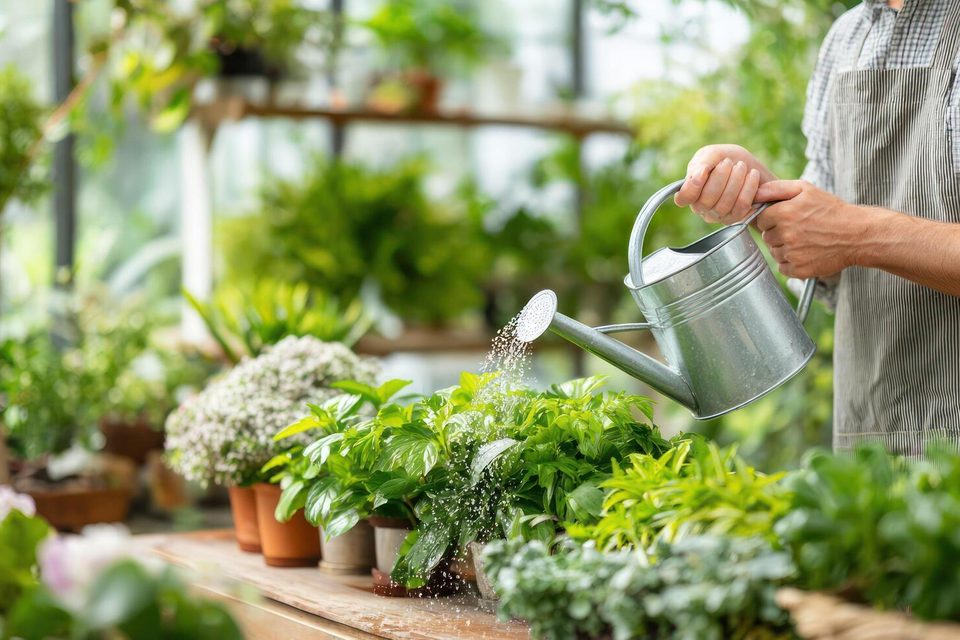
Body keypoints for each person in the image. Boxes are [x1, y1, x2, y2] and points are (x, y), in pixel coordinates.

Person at [674, 0, 960, 455]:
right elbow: (828, 264)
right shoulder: (844, 42)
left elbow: (844, 232)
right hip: (871, 449)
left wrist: (855, 233)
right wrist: (765, 197)